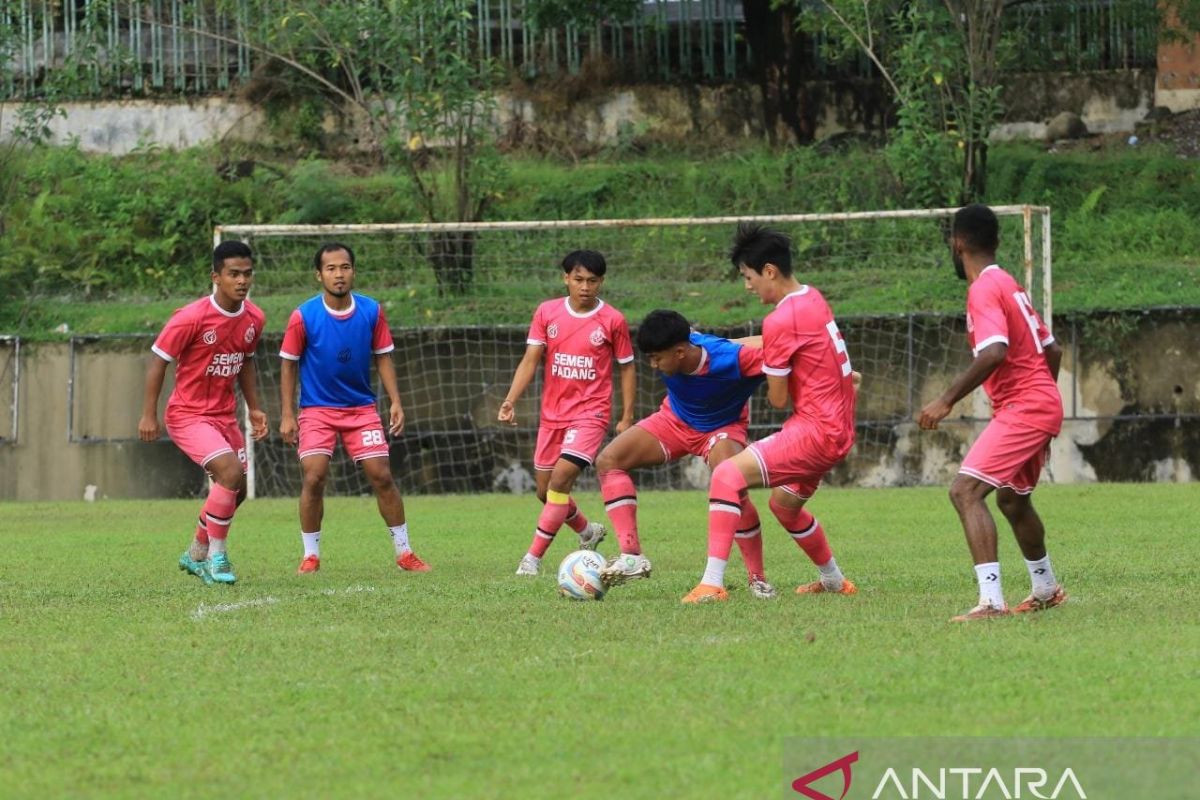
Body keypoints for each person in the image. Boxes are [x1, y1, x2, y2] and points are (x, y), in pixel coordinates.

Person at [682, 223, 858, 604]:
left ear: (769, 271)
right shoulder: (813, 298)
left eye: (748, 276)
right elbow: (800, 354)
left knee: (727, 475)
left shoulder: (780, 320)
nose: (747, 286)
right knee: (785, 506)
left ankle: (712, 583)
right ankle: (833, 581)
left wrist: (750, 369)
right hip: (840, 429)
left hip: (816, 431)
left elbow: (777, 399)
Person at [918, 204, 1066, 622]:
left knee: (964, 492)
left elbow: (994, 352)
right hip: (1038, 404)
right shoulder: (1009, 283)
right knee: (1013, 500)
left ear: (958, 243)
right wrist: (1045, 409)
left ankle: (991, 602)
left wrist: (946, 399)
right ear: (996, 241)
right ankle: (1046, 588)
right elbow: (1052, 349)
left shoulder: (983, 288)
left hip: (1025, 407)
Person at [596, 309, 778, 599]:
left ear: (680, 352)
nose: (653, 366)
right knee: (609, 460)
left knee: (732, 485)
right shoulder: (687, 340)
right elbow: (739, 340)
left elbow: (782, 351)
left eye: (657, 358)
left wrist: (838, 373)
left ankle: (757, 578)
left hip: (722, 428)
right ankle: (632, 556)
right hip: (674, 420)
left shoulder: (733, 360)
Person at [279, 242, 430, 574]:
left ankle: (405, 552)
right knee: (314, 476)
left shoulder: (371, 311)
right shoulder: (303, 316)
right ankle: (310, 555)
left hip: (361, 409)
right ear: (319, 274)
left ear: (353, 271)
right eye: (331, 268)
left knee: (382, 475)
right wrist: (288, 414)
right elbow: (288, 364)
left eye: (344, 267)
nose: (339, 274)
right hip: (316, 409)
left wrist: (395, 402)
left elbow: (383, 357)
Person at [499, 250, 636, 576]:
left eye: (592, 281)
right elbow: (531, 358)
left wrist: (627, 416)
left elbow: (627, 368)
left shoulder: (613, 320)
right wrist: (510, 399)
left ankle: (531, 560)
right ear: (566, 279)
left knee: (560, 482)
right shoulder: (547, 312)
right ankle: (588, 532)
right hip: (553, 415)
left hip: (591, 415)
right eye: (578, 279)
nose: (585, 287)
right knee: (545, 492)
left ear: (601, 282)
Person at [139, 241, 268, 585]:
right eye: (233, 274)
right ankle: (217, 558)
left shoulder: (254, 318)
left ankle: (195, 553)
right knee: (229, 472)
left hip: (225, 416)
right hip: (188, 415)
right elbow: (158, 362)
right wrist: (148, 414)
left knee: (236, 488)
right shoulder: (191, 317)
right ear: (216, 277)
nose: (242, 281)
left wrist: (254, 408)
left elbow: (246, 363)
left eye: (247, 273)